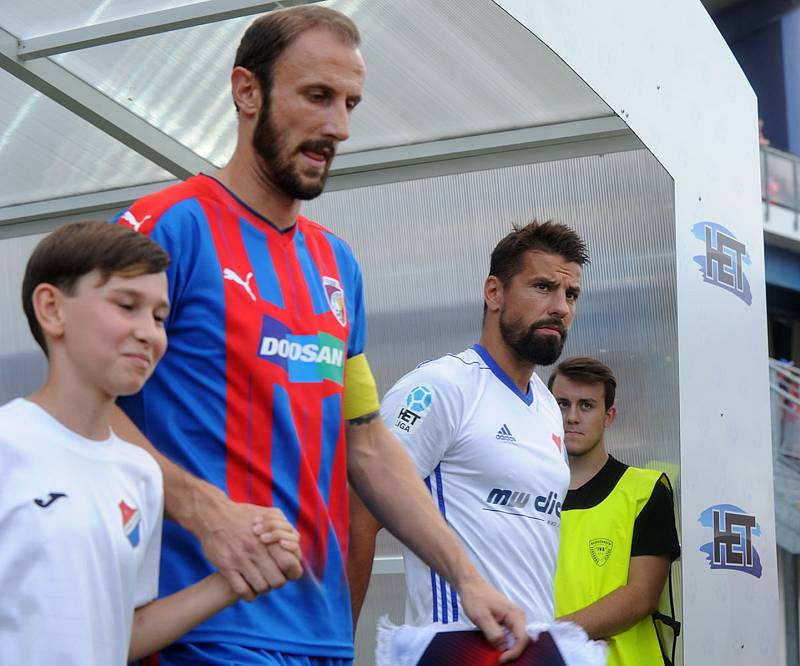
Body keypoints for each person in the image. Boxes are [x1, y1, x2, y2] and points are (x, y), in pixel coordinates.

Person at [111, 6, 528, 664]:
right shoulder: (166, 226)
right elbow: (82, 405)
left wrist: (468, 578)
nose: (339, 126)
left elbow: (364, 441)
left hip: (323, 632)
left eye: (351, 103)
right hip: (201, 625)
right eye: (317, 96)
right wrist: (204, 511)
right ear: (247, 91)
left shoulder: (338, 265)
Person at [0, 221, 300, 665]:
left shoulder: (139, 473)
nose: (149, 333)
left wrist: (236, 576)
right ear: (51, 309)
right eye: (126, 305)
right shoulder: (9, 444)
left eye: (159, 317)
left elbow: (121, 636)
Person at [348, 220, 588, 629]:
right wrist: (334, 651)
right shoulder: (441, 388)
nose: (561, 307)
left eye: (571, 294)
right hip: (456, 649)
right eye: (543, 287)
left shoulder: (549, 406)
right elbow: (356, 519)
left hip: (531, 650)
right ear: (494, 292)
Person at [548, 357, 680, 665]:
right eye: (562, 404)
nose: (572, 417)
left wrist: (550, 636)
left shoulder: (645, 490)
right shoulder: (523, 493)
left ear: (609, 416)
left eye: (586, 406)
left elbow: (640, 597)